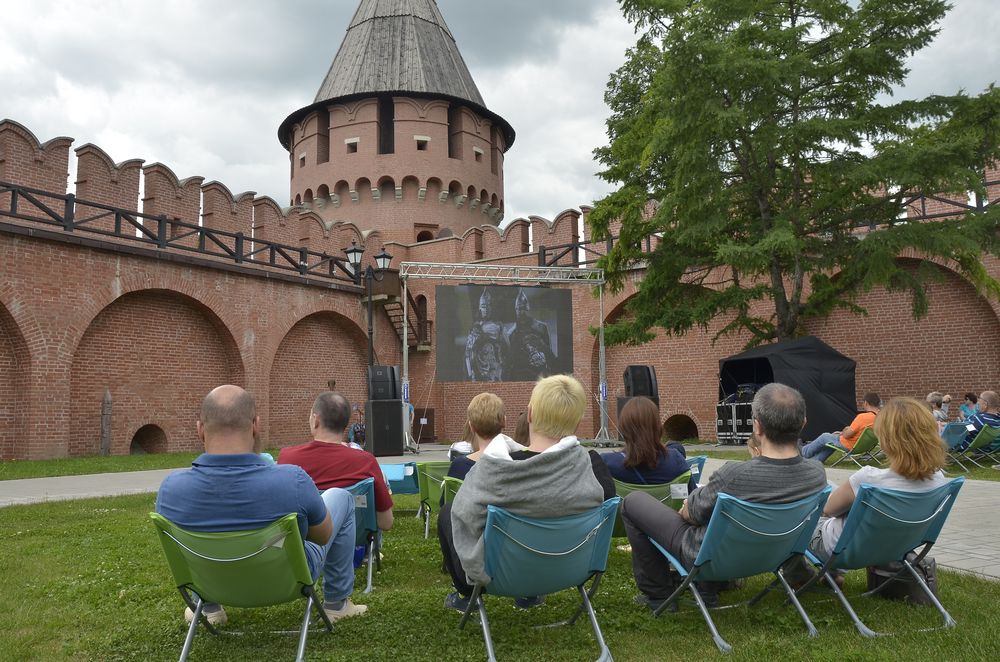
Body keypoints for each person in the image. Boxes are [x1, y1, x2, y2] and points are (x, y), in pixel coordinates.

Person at [155, 385, 363, 626]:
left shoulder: (171, 489)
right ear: (255, 425)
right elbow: (322, 535)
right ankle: (337, 604)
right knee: (340, 496)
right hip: (287, 580)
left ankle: (209, 609)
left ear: (200, 429)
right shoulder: (292, 480)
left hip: (210, 584)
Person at [621, 383, 828, 611]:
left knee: (634, 502)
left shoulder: (735, 475)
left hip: (709, 556)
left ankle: (660, 596)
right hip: (774, 555)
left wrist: (688, 506)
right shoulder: (816, 473)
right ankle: (709, 586)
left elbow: (692, 513)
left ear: (757, 427)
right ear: (803, 423)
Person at [438, 375, 615, 612]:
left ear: (530, 414)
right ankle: (531, 595)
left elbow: (464, 516)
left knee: (448, 512)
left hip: (499, 577)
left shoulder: (495, 472)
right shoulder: (592, 468)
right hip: (573, 571)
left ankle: (465, 595)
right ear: (577, 422)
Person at [809, 397, 949, 582]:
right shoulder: (939, 479)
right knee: (833, 488)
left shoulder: (869, 479)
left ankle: (811, 573)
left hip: (844, 550)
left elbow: (827, 510)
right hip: (895, 548)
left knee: (803, 513)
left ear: (888, 438)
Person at [278, 391, 395, 600]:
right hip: (358, 535)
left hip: (302, 540)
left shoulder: (288, 457)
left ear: (316, 420)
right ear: (346, 424)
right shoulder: (365, 461)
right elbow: (385, 522)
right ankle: (338, 600)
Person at [602, 396, 688, 485]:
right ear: (657, 427)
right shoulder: (676, 460)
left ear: (624, 428)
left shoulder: (607, 463)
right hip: (662, 498)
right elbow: (694, 496)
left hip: (626, 499)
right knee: (676, 446)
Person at [800, 392, 881, 463]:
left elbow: (847, 435)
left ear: (866, 403)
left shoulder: (863, 417)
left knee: (825, 436)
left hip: (850, 445)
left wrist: (844, 430)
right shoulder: (881, 418)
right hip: (862, 447)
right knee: (831, 442)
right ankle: (815, 460)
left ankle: (803, 452)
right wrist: (841, 434)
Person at [448, 393, 506, 481]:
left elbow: (449, 494)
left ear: (471, 427)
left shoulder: (459, 465)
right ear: (504, 422)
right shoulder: (517, 464)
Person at [505, 288, 555, 381]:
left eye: (523, 308)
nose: (521, 312)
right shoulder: (511, 334)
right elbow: (511, 361)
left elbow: (549, 354)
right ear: (515, 310)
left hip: (540, 374)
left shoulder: (541, 327)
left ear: (528, 308)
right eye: (519, 309)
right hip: (521, 376)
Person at [464, 288, 507, 381]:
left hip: (494, 369)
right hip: (478, 369)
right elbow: (468, 353)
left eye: (489, 305)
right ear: (480, 307)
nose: (486, 309)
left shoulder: (499, 326)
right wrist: (470, 373)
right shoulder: (474, 327)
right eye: (483, 306)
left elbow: (506, 348)